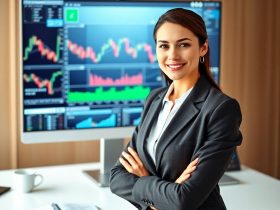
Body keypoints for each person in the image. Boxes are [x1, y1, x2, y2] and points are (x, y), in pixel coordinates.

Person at [110, 8, 242, 210]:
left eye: (184, 44)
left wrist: (144, 181)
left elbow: (185, 199)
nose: (172, 55)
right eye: (164, 46)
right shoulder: (154, 99)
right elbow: (117, 178)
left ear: (203, 48)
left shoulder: (221, 109)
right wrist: (165, 196)